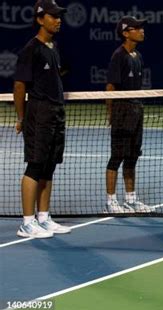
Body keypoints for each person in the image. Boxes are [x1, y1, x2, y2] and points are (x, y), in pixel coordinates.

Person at [13, 0, 71, 238]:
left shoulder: (52, 47)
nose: (58, 20)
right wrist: (22, 117)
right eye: (53, 16)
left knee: (48, 167)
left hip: (56, 112)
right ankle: (27, 223)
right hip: (39, 113)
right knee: (35, 166)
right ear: (40, 19)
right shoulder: (31, 49)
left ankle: (44, 217)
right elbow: (19, 85)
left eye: (59, 16)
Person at [104, 16, 151, 213]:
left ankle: (130, 199)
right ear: (125, 33)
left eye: (141, 28)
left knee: (132, 157)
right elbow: (110, 87)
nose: (142, 31)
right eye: (137, 28)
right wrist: (111, 113)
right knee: (117, 157)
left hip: (136, 109)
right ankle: (111, 201)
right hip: (122, 112)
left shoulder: (138, 57)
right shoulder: (118, 56)